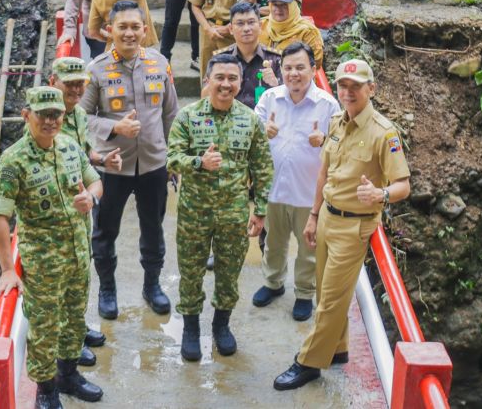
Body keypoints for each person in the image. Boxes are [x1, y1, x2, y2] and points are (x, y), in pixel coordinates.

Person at [272, 58, 412, 391]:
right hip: (328, 219)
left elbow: (403, 185)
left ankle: (308, 361)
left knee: (333, 300)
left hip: (355, 227)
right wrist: (314, 214)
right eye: (343, 86)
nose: (348, 93)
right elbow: (324, 173)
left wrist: (380, 193)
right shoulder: (336, 122)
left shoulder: (383, 133)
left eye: (356, 86)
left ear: (371, 89)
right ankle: (337, 348)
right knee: (324, 293)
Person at [0, 86, 106, 409]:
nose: (51, 121)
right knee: (43, 327)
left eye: (56, 114)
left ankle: (68, 375)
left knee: (73, 318)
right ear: (27, 115)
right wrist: (8, 270)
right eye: (44, 115)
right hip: (43, 264)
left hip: (78, 255)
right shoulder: (14, 161)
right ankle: (46, 389)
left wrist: (91, 197)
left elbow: (95, 180)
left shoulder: (69, 147)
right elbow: (0, 217)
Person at [167, 53, 272, 361]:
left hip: (234, 213)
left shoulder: (250, 120)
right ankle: (190, 328)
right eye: (220, 78)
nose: (226, 84)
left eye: (232, 78)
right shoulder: (188, 117)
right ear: (207, 81)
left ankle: (221, 326)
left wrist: (261, 210)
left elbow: (263, 167)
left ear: (240, 82)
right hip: (193, 214)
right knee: (191, 272)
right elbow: (171, 158)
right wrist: (199, 162)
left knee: (228, 274)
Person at [81, 0, 180, 319]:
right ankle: (107, 290)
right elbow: (80, 119)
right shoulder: (96, 69)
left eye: (135, 27)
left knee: (153, 228)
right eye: (122, 26)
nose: (129, 33)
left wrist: (173, 157)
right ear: (109, 30)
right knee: (105, 231)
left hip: (153, 164)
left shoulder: (159, 63)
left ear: (145, 30)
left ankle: (152, 286)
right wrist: (114, 127)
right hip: (113, 167)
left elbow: (170, 114)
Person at [252, 42, 339, 321]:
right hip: (274, 189)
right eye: (288, 68)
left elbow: (342, 146)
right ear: (281, 69)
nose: (293, 74)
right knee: (274, 242)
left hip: (308, 193)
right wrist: (261, 131)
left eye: (300, 67)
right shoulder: (269, 99)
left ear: (313, 70)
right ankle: (273, 283)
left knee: (308, 248)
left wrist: (325, 141)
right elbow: (252, 137)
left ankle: (303, 292)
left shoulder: (328, 105)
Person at [49, 57, 122, 368]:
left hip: (81, 208)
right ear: (53, 82)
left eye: (81, 83)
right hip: (55, 215)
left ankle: (76, 328)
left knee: (80, 276)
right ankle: (66, 341)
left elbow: (83, 153)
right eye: (70, 83)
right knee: (61, 282)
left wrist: (103, 160)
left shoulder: (77, 114)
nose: (77, 89)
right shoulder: (47, 118)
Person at [215, 2, 282, 109]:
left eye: (251, 22)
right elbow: (208, 98)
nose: (246, 28)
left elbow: (289, 102)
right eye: (240, 23)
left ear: (260, 26)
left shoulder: (276, 59)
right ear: (231, 29)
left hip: (265, 122)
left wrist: (275, 85)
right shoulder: (219, 61)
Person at [260, 0, 324, 63]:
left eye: (284, 5)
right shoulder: (261, 24)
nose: (279, 9)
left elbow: (315, 63)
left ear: (293, 6)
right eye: (275, 4)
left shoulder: (308, 32)